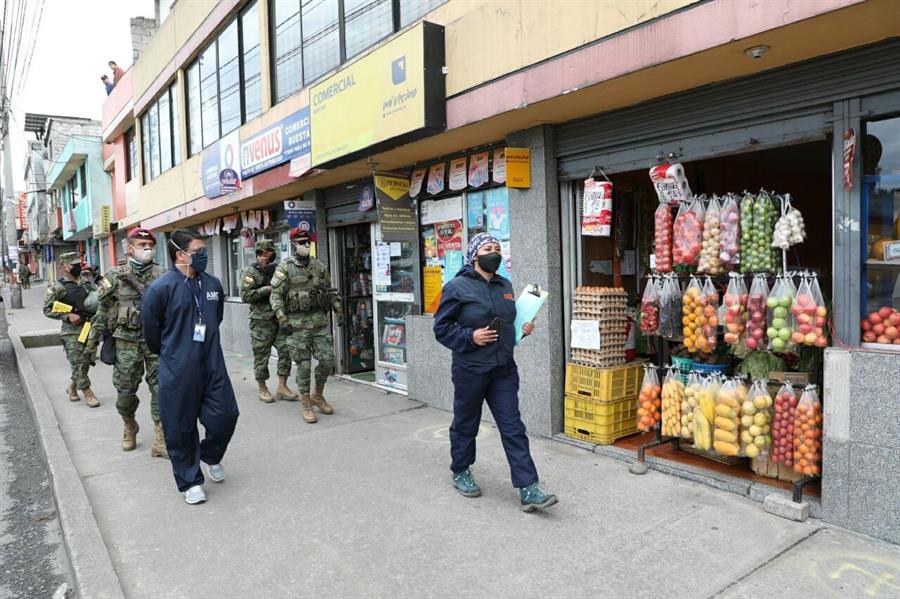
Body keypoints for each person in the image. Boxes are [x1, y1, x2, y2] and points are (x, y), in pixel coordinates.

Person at [433, 233, 557, 513]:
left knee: (514, 427)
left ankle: (529, 488)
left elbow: (508, 326)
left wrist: (523, 330)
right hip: (470, 369)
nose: (494, 253)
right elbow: (441, 328)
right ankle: (461, 470)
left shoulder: (506, 285)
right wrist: (471, 337)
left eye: (498, 249)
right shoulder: (456, 287)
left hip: (503, 369)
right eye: (488, 249)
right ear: (475, 254)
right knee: (466, 423)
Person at [142, 230, 238, 505]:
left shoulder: (213, 284)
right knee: (180, 427)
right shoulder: (161, 288)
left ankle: (210, 455)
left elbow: (214, 318)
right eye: (198, 251)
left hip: (212, 364)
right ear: (179, 254)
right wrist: (176, 354)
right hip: (178, 369)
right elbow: (151, 333)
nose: (203, 255)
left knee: (226, 416)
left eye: (203, 250)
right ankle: (190, 481)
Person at [87, 228, 168, 457]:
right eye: (142, 245)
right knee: (124, 393)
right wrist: (92, 341)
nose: (147, 249)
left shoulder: (163, 275)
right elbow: (102, 310)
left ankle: (160, 436)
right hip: (126, 343)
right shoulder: (114, 275)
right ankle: (129, 425)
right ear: (130, 248)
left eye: (150, 245)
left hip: (156, 343)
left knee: (162, 390)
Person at [270, 228, 342, 423]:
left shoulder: (319, 266)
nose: (306, 245)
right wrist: (282, 318)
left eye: (308, 242)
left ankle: (317, 394)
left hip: (319, 322)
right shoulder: (285, 267)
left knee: (328, 360)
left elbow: (329, 290)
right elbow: (275, 296)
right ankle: (306, 403)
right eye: (302, 242)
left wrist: (338, 310)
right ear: (294, 244)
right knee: (304, 365)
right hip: (296, 325)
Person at [240, 239, 298, 403]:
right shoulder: (250, 272)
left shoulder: (277, 269)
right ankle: (263, 388)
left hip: (279, 318)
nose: (273, 254)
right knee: (262, 355)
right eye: (271, 251)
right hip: (261, 321)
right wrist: (267, 290)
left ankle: (282, 386)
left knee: (286, 351)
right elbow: (245, 296)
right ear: (263, 252)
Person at [43, 252, 100, 408]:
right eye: (73, 264)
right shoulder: (58, 287)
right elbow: (47, 309)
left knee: (87, 360)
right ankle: (88, 392)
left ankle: (72, 387)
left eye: (78, 263)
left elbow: (100, 295)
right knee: (77, 362)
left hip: (89, 327)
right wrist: (67, 316)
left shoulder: (86, 282)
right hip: (71, 331)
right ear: (65, 266)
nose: (77, 267)